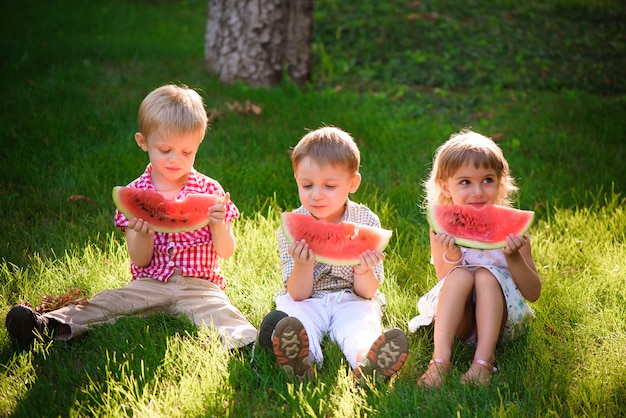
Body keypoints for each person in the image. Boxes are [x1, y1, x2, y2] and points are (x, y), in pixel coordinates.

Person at [5, 84, 257, 351]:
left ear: (198, 145)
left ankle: (253, 343)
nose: (176, 160)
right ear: (142, 142)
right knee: (109, 302)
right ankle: (44, 325)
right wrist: (142, 234)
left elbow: (226, 251)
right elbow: (140, 259)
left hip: (201, 287)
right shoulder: (135, 193)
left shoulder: (209, 190)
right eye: (165, 150)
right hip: (149, 284)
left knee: (223, 313)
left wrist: (218, 224)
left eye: (187, 152)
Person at [256, 126, 409, 383]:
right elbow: (297, 293)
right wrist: (302, 266)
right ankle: (302, 360)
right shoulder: (291, 228)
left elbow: (367, 292)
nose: (316, 194)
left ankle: (366, 361)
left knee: (360, 323)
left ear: (353, 183)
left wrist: (362, 270)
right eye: (307, 185)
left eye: (329, 185)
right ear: (296, 179)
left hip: (352, 299)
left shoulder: (366, 221)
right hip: (308, 298)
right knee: (296, 317)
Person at [408, 129, 541, 388]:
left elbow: (533, 292)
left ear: (501, 182)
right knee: (459, 275)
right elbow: (444, 280)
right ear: (446, 186)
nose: (478, 191)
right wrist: (453, 253)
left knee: (485, 275)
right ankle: (440, 360)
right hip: (460, 322)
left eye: (488, 180)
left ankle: (483, 360)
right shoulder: (442, 229)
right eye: (465, 182)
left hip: (500, 324)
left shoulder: (513, 230)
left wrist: (513, 257)